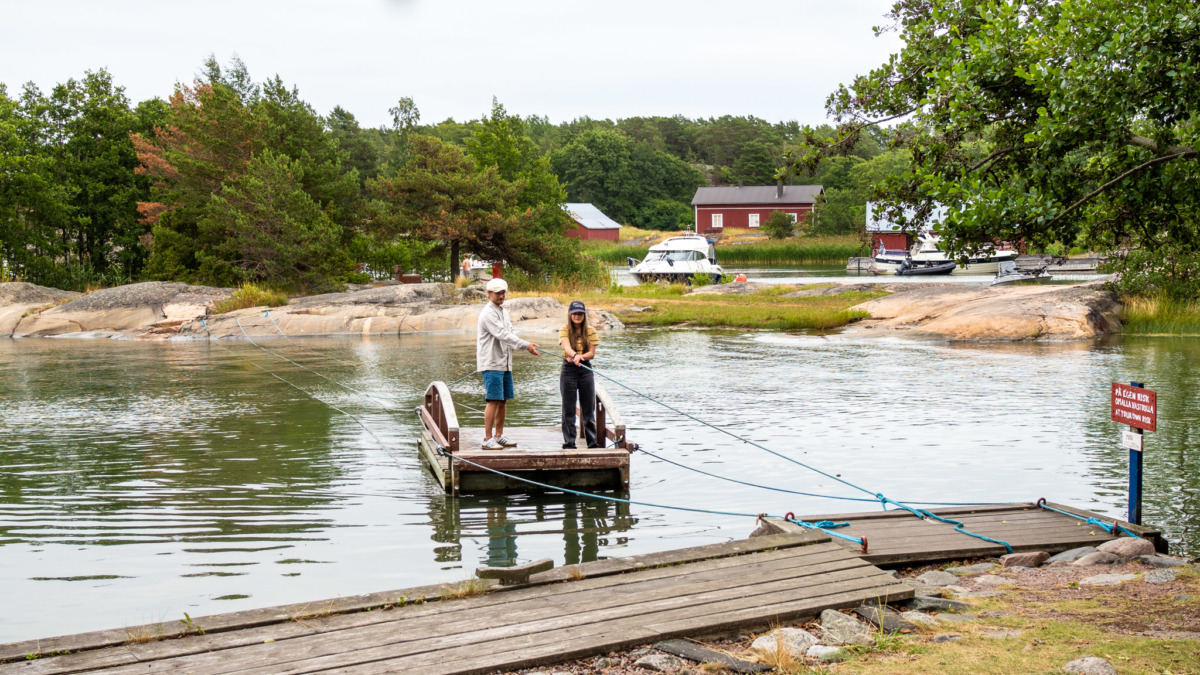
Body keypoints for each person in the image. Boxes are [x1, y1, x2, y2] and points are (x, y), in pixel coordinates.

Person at [476, 278, 539, 450]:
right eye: (497, 293)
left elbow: (510, 335)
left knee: (503, 400)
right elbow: (502, 334)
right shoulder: (487, 313)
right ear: (489, 294)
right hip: (491, 362)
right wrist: (526, 345)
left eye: (503, 293)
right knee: (493, 400)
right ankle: (488, 438)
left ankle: (499, 435)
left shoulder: (502, 311)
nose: (501, 296)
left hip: (505, 363)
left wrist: (527, 347)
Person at [558, 300, 600, 449]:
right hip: (568, 369)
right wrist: (575, 355)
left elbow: (591, 353)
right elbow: (566, 346)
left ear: (584, 315)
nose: (577, 316)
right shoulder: (564, 329)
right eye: (575, 313)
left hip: (585, 369)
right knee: (568, 408)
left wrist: (580, 357)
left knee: (588, 408)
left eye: (580, 313)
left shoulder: (591, 331)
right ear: (570, 314)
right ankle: (569, 443)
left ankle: (592, 442)